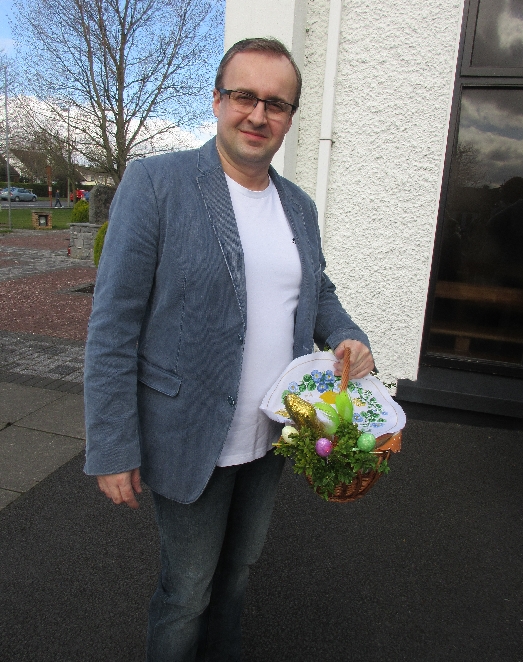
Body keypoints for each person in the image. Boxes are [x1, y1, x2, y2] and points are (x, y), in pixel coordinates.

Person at [84, 37, 374, 662]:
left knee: (238, 575)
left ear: (290, 118)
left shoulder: (299, 206)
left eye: (276, 103)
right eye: (244, 96)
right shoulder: (157, 184)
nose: (258, 114)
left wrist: (349, 336)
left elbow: (318, 292)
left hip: (271, 435)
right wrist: (112, 444)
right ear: (217, 100)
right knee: (187, 591)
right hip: (187, 434)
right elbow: (112, 326)